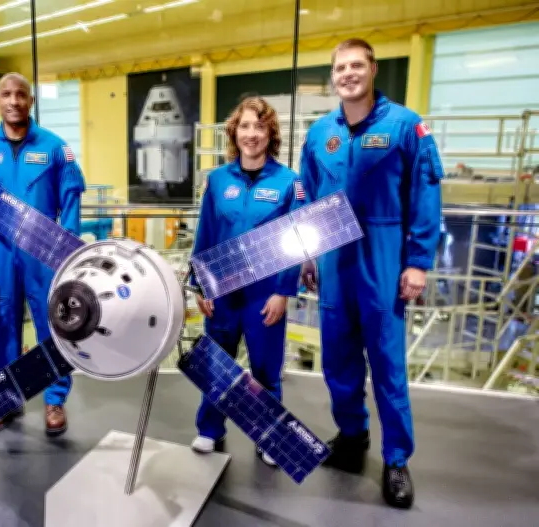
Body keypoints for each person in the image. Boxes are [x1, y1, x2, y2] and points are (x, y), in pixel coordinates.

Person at [298, 38, 443, 509]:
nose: (348, 74)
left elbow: (426, 195)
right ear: (333, 75)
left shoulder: (406, 126)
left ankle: (396, 459)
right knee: (337, 359)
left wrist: (418, 261)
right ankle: (352, 436)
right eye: (340, 67)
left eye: (356, 65)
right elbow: (306, 197)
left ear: (373, 69)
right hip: (334, 262)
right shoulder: (319, 134)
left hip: (383, 257)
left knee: (387, 364)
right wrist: (307, 253)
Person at [0, 72, 86, 437]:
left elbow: (70, 200)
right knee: (4, 326)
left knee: (53, 325)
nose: (14, 101)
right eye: (6, 94)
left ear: (31, 101)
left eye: (21, 95)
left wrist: (67, 253)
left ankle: (54, 400)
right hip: (1, 250)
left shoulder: (54, 148)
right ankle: (4, 399)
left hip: (44, 253)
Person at [189, 96, 305, 466]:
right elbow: (206, 234)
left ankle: (268, 436)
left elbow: (295, 241)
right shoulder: (217, 180)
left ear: (271, 133)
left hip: (264, 292)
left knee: (265, 368)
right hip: (223, 290)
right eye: (245, 126)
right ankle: (210, 429)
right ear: (234, 132)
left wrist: (283, 291)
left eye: (259, 126)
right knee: (217, 363)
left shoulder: (289, 183)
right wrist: (200, 283)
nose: (251, 134)